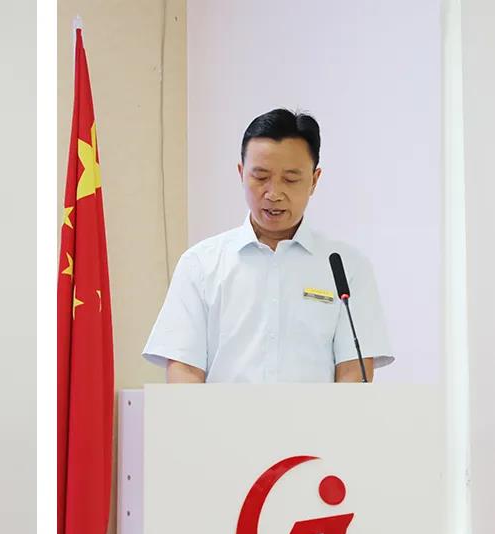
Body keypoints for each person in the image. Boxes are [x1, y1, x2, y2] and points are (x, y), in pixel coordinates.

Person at [143, 108, 392, 383]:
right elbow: (184, 369)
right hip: (224, 413)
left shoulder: (346, 266)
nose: (273, 194)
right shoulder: (200, 264)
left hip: (315, 414)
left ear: (314, 180)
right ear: (241, 173)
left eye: (290, 179)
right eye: (261, 177)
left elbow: (354, 371)